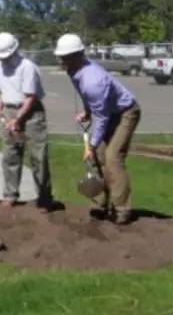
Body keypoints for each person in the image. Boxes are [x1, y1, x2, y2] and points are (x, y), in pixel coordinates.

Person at [56, 33, 142, 225]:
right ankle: (99, 203)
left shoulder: (93, 80)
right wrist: (87, 111)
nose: (63, 60)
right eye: (62, 57)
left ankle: (122, 211)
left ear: (79, 54)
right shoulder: (73, 71)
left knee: (112, 158)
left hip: (126, 112)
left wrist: (91, 145)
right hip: (108, 113)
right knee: (98, 159)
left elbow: (102, 118)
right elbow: (86, 97)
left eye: (67, 56)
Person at [0, 32, 53, 211]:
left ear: (14, 50)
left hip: (31, 114)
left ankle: (44, 197)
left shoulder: (27, 67)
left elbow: (30, 97)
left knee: (38, 157)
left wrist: (18, 119)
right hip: (10, 111)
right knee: (10, 155)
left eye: (6, 56)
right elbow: (5, 90)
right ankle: (10, 195)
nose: (3, 59)